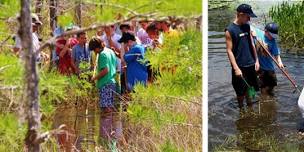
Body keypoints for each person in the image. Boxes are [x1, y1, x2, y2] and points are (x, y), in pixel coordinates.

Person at [225, 4, 260, 108]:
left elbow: (252, 44)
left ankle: (250, 105)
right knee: (240, 91)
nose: (249, 19)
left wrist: (257, 60)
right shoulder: (230, 30)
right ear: (240, 15)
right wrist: (236, 68)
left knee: (251, 88)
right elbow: (229, 51)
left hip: (251, 63)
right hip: (239, 66)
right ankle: (241, 108)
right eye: (247, 17)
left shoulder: (247, 26)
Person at [251, 22, 283, 95]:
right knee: (263, 87)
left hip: (269, 67)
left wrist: (280, 62)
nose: (272, 37)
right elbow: (248, 25)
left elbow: (276, 54)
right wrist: (252, 32)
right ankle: (264, 99)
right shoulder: (258, 33)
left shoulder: (272, 41)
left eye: (274, 36)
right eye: (271, 35)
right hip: (259, 67)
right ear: (265, 31)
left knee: (272, 85)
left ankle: (270, 97)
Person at [89, 37, 117, 112]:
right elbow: (115, 66)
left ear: (97, 47)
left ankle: (105, 124)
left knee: (105, 109)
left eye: (94, 50)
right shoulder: (110, 51)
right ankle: (110, 123)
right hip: (112, 83)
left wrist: (94, 78)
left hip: (105, 84)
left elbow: (105, 70)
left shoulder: (102, 54)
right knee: (110, 107)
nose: (95, 52)